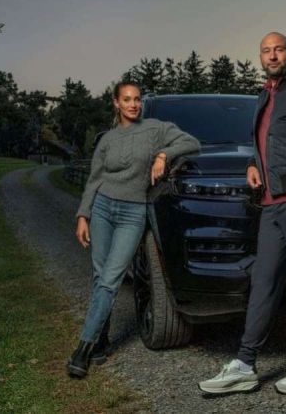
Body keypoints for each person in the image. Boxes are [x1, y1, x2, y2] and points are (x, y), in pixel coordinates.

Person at [199, 32, 286, 395]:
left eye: (279, 49)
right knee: (264, 283)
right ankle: (244, 364)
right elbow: (268, 142)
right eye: (266, 51)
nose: (273, 55)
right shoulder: (265, 95)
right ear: (260, 57)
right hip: (272, 205)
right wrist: (252, 164)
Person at [67, 81, 200, 378]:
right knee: (100, 275)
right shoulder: (108, 140)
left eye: (137, 99)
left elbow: (192, 142)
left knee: (111, 278)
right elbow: (94, 180)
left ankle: (83, 348)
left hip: (133, 212)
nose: (133, 104)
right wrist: (82, 215)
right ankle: (100, 339)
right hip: (102, 208)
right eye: (127, 99)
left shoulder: (156, 128)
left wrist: (164, 155)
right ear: (116, 103)